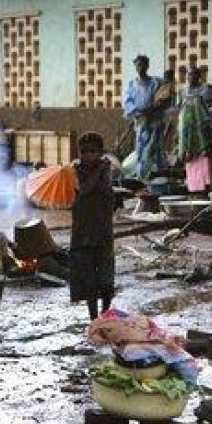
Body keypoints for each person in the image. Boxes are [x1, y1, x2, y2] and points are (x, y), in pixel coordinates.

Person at [70, 132, 116, 320]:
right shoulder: (74, 172)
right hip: (82, 235)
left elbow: (108, 194)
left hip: (103, 232)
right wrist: (100, 171)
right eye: (84, 151)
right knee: (88, 284)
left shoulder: (106, 171)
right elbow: (85, 188)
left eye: (92, 151)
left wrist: (104, 172)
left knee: (106, 282)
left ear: (100, 152)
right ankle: (93, 319)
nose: (88, 155)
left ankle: (105, 316)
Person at [123, 55, 166, 180]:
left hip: (155, 121)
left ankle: (157, 177)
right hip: (141, 122)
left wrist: (155, 107)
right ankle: (143, 177)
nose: (140, 67)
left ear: (147, 66)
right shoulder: (131, 84)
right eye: (138, 65)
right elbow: (128, 102)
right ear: (135, 67)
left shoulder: (156, 83)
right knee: (142, 149)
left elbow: (165, 97)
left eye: (142, 64)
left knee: (156, 148)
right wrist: (138, 111)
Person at [177, 66, 212, 193]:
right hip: (186, 135)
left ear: (199, 76)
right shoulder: (182, 91)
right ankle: (194, 189)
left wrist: (211, 131)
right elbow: (180, 111)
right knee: (190, 160)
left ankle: (206, 189)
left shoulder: (206, 90)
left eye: (193, 75)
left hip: (202, 134)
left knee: (204, 161)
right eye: (188, 75)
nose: (190, 77)